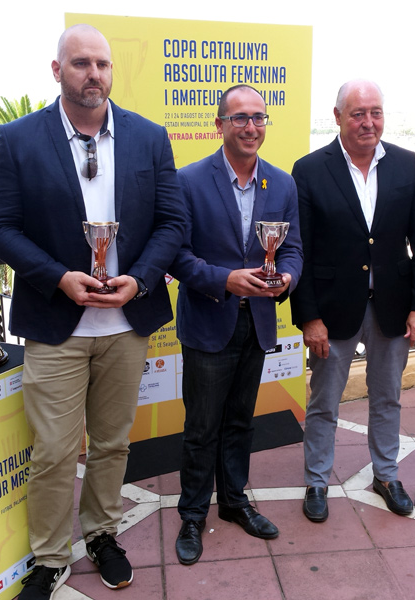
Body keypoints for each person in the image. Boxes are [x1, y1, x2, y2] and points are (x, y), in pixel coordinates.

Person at [0, 24, 185, 596]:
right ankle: (49, 556)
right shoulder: (19, 139)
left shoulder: (149, 138)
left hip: (126, 321)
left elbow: (173, 223)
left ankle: (101, 533)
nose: (93, 74)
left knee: (114, 441)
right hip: (55, 321)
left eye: (102, 64)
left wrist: (140, 281)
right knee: (50, 450)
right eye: (80, 64)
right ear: (57, 71)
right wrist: (59, 278)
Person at [290, 80, 415, 520]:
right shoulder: (310, 169)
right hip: (333, 309)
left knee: (388, 397)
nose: (368, 122)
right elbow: (301, 248)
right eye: (358, 113)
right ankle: (317, 482)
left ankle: (387, 475)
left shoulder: (406, 164)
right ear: (337, 117)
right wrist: (309, 317)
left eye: (375, 112)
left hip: (393, 305)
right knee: (324, 401)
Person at [169, 84, 303, 565]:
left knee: (240, 422)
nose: (251, 127)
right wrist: (225, 280)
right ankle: (191, 514)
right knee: (202, 426)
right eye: (240, 118)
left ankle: (232, 502)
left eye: (259, 118)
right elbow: (178, 256)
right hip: (210, 319)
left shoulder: (282, 184)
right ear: (220, 125)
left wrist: (286, 276)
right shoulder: (188, 181)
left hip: (260, 321)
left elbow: (292, 249)